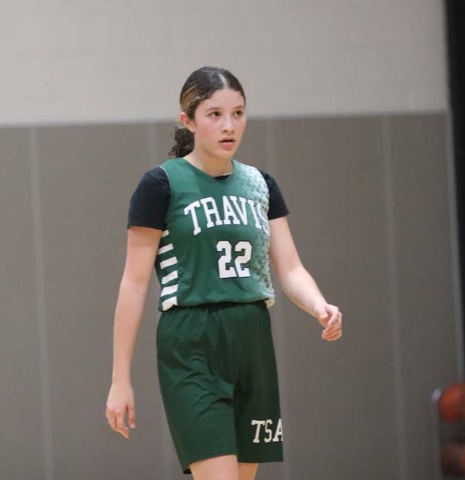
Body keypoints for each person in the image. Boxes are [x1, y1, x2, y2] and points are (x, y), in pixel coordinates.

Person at [105, 66, 343, 480]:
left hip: (252, 337)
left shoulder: (260, 184)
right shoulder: (161, 184)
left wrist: (319, 305)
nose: (229, 125)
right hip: (192, 341)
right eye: (215, 114)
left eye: (238, 113)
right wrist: (120, 379)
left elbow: (290, 268)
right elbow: (134, 283)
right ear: (188, 121)